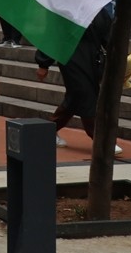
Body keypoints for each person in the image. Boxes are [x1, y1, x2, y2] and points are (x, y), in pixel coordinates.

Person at [35, 9, 121, 154]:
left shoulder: (97, 6)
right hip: (70, 55)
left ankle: (48, 130)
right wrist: (43, 63)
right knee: (84, 92)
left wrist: (117, 55)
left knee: (75, 98)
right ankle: (101, 139)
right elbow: (53, 34)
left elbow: (108, 34)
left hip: (92, 57)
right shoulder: (65, 6)